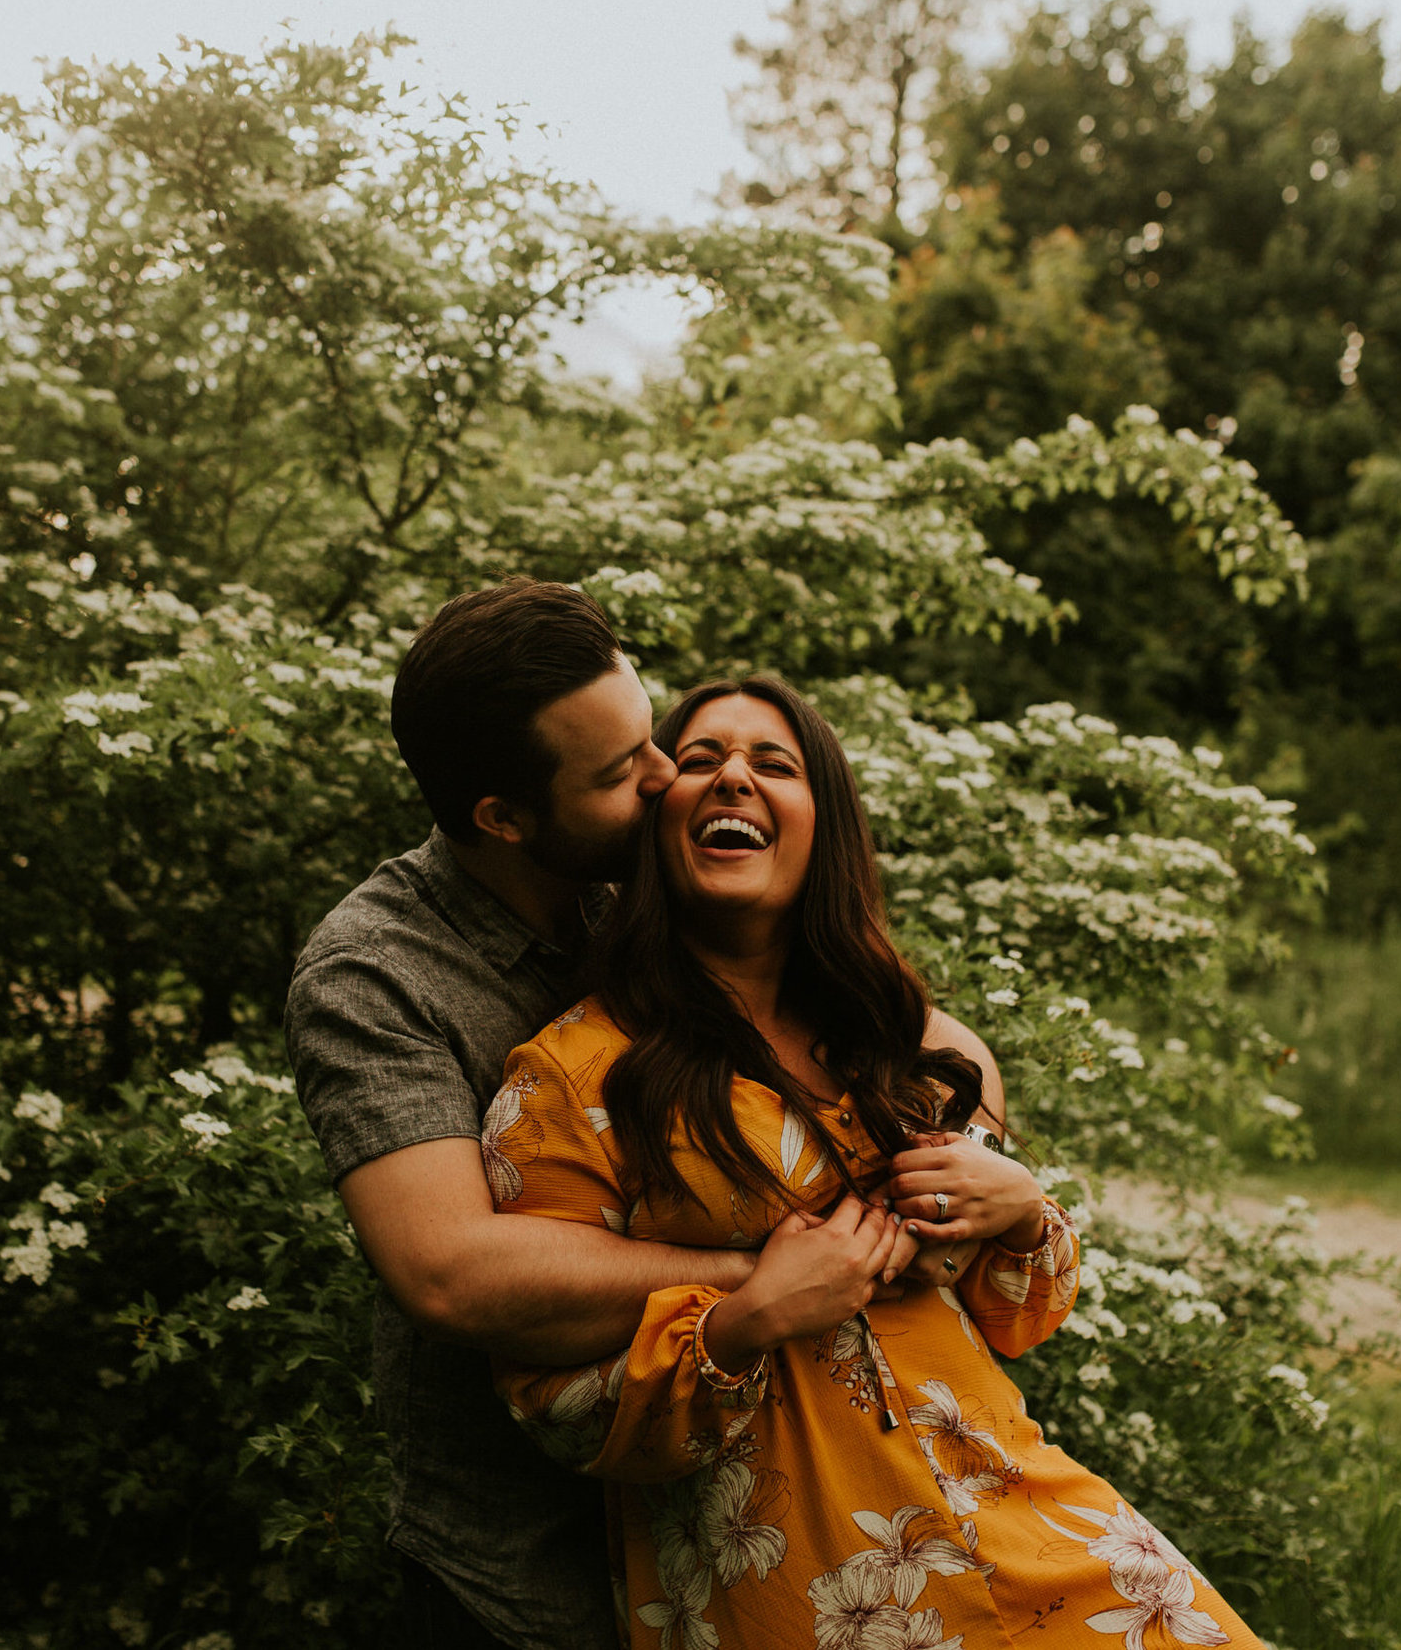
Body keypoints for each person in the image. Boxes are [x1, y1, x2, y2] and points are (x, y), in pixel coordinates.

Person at [485, 676, 1266, 1650]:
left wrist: (1022, 1211)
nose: (734, 776)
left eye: (774, 763)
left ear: (825, 825)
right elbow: (550, 1403)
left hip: (1035, 1529)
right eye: (699, 759)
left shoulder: (907, 1043)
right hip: (800, 1582)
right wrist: (745, 1320)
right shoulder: (569, 1075)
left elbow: (1015, 1312)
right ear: (655, 817)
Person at [286, 583, 936, 1649]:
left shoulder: (639, 870)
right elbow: (447, 1270)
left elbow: (879, 1001)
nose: (664, 775)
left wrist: (980, 1143)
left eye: (651, 733)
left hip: (763, 1523)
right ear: (503, 816)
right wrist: (764, 1277)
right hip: (532, 1561)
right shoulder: (374, 976)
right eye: (619, 769)